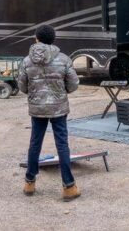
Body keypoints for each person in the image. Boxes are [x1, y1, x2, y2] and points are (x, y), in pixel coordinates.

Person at [17, 24, 81, 202]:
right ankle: (69, 186)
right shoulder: (63, 59)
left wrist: (35, 94)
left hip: (37, 108)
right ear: (53, 39)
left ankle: (29, 182)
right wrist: (62, 92)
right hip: (59, 108)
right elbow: (74, 84)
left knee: (35, 143)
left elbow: (22, 85)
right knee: (62, 144)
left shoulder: (26, 61)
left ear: (36, 39)